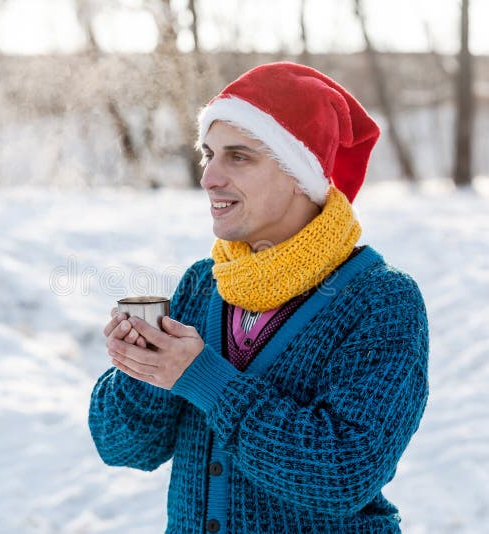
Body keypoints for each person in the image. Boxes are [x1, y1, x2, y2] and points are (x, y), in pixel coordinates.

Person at [89, 62, 429, 533]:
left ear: (300, 175)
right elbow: (124, 447)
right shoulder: (203, 284)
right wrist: (142, 371)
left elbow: (344, 473)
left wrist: (203, 378)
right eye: (209, 154)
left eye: (239, 157)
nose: (209, 177)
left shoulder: (379, 300)